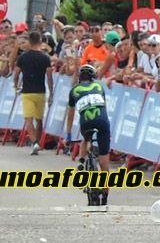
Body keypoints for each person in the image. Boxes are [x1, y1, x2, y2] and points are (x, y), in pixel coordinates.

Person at [64, 65, 111, 206]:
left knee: (85, 138)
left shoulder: (74, 90)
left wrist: (68, 134)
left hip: (86, 123)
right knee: (104, 161)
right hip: (102, 121)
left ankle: (82, 161)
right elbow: (104, 107)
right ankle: (106, 191)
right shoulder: (99, 86)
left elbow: (71, 115)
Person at [14, 31, 53, 155]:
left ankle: (34, 142)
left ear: (29, 42)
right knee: (39, 119)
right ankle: (38, 142)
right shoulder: (45, 57)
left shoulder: (23, 57)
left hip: (27, 92)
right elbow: (49, 76)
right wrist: (51, 92)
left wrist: (16, 85)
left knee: (28, 119)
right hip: (40, 91)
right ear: (40, 42)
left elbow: (16, 73)